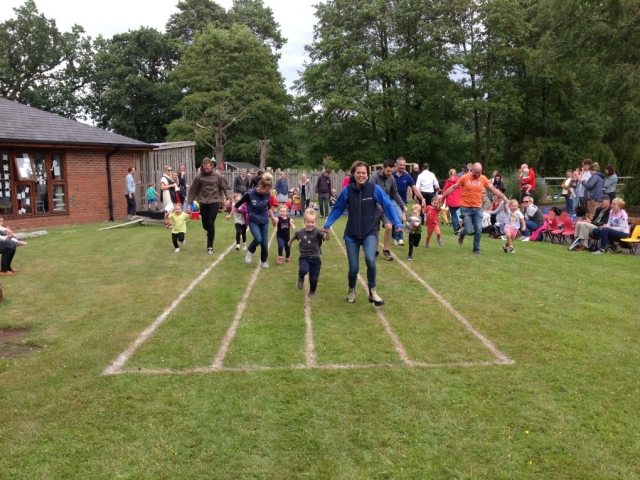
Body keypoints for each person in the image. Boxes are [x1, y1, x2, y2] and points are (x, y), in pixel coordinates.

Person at [322, 161, 403, 306]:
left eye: (364, 173)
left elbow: (387, 205)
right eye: (358, 172)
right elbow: (338, 209)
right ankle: (351, 289)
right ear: (354, 173)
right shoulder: (347, 190)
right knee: (354, 268)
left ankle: (372, 291)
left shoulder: (374, 189)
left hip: (369, 233)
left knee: (370, 260)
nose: (361, 175)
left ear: (367, 174)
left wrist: (397, 222)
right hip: (351, 235)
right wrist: (328, 224)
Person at [441, 162, 508, 254]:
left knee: (478, 229)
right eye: (475, 172)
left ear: (481, 171)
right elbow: (453, 187)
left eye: (479, 173)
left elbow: (493, 190)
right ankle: (462, 234)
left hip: (477, 208)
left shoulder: (483, 179)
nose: (476, 175)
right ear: (472, 169)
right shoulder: (464, 177)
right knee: (468, 230)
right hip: (465, 207)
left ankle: (476, 249)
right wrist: (442, 195)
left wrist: (503, 196)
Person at [226, 176, 276, 267]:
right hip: (253, 220)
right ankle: (250, 252)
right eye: (263, 190)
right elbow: (238, 204)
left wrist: (273, 217)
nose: (264, 193)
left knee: (264, 243)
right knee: (258, 239)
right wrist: (230, 214)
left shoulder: (268, 194)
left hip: (264, 220)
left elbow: (268, 206)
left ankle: (264, 261)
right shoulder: (250, 194)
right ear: (259, 186)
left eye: (266, 191)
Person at [186, 158, 233, 255]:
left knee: (211, 223)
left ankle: (210, 246)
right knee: (205, 224)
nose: (206, 170)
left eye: (208, 168)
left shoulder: (218, 176)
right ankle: (209, 231)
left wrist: (229, 198)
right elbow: (193, 190)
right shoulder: (199, 177)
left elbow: (226, 187)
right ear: (202, 166)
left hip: (214, 202)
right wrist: (189, 203)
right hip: (203, 202)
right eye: (205, 168)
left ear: (211, 166)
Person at [369, 159, 406, 260]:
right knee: (376, 230)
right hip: (374, 208)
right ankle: (375, 251)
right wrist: (376, 203)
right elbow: (369, 192)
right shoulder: (374, 177)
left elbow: (394, 192)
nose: (390, 173)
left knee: (389, 226)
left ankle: (386, 249)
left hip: (386, 207)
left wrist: (402, 205)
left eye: (391, 171)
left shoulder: (391, 178)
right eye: (388, 171)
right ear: (383, 168)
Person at [290, 208, 329, 298]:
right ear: (304, 221)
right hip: (304, 256)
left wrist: (328, 233)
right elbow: (294, 236)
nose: (310, 224)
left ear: (315, 222)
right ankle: (300, 276)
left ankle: (312, 291)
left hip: (315, 258)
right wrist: (289, 242)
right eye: (308, 222)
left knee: (314, 278)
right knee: (303, 269)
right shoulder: (300, 232)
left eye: (312, 222)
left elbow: (326, 238)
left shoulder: (318, 232)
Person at [392, 157, 426, 245]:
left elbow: (415, 189)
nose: (402, 167)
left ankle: (397, 237)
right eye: (400, 165)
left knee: (398, 218)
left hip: (403, 202)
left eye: (404, 165)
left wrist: (422, 198)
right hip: (391, 200)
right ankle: (398, 237)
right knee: (398, 217)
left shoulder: (407, 177)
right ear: (396, 165)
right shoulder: (391, 175)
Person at [442, 169, 462, 234]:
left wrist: (442, 201)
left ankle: (456, 230)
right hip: (459, 200)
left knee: (454, 215)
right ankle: (459, 228)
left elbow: (444, 192)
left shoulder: (448, 181)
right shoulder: (460, 181)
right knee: (459, 214)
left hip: (452, 200)